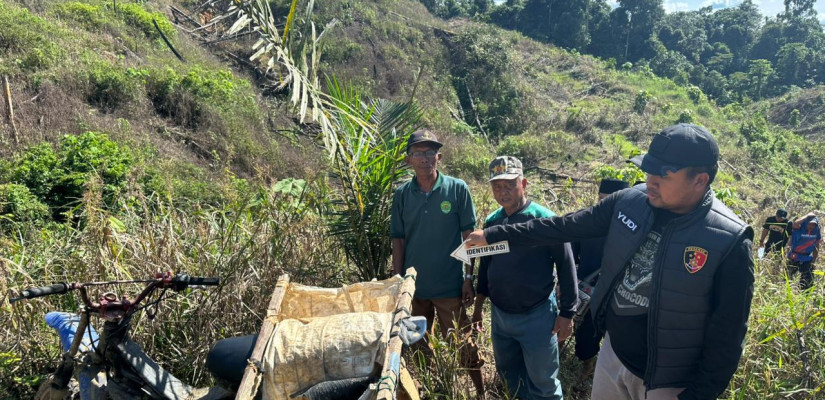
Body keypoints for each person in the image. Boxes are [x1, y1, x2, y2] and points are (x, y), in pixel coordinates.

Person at [465, 123, 755, 400]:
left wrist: (698, 396)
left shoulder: (727, 239)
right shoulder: (630, 201)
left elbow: (727, 337)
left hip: (670, 381)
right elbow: (561, 227)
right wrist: (493, 234)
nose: (650, 181)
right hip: (613, 354)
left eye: (663, 175)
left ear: (699, 180)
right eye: (647, 170)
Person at [472, 156, 578, 400]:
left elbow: (566, 266)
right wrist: (479, 308)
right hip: (501, 317)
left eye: (509, 184)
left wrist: (567, 314)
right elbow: (486, 268)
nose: (503, 192)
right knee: (510, 375)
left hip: (537, 316)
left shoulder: (544, 220)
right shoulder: (493, 222)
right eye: (497, 186)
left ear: (524, 183)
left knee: (544, 382)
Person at [390, 129, 484, 394]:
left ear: (439, 157)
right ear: (408, 159)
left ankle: (480, 393)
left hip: (449, 287)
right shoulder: (402, 195)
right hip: (415, 289)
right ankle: (434, 390)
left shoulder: (457, 189)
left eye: (430, 152)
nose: (424, 158)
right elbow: (398, 240)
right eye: (418, 153)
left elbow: (469, 237)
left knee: (464, 345)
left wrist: (468, 278)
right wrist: (399, 282)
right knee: (419, 347)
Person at [572, 178, 629, 380]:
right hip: (589, 292)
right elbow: (571, 256)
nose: (606, 207)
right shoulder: (587, 222)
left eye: (612, 202)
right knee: (585, 333)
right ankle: (587, 364)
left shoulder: (633, 229)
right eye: (602, 200)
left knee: (617, 337)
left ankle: (612, 372)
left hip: (620, 294)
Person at [786, 213, 821, 290]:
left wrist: (814, 260)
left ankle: (804, 296)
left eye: (813, 225)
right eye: (810, 224)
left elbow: (817, 245)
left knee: (807, 281)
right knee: (788, 277)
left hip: (807, 258)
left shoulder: (816, 231)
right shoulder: (799, 228)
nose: (811, 226)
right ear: (806, 223)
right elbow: (795, 223)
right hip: (794, 256)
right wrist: (807, 215)